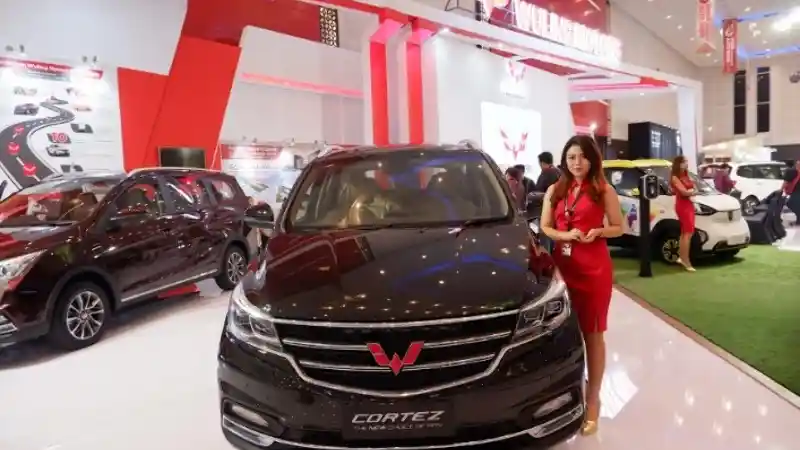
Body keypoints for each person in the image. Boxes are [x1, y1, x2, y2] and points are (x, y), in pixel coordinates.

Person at [540, 135, 623, 436]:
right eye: (571, 157)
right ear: (564, 160)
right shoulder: (555, 190)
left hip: (594, 270)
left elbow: (619, 227)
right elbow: (546, 226)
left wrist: (598, 231)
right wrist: (566, 236)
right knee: (560, 332)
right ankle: (565, 392)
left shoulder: (604, 190)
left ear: (592, 160)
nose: (577, 163)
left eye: (582, 157)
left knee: (593, 334)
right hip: (563, 269)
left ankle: (594, 399)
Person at [670, 156, 697, 272]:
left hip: (689, 204)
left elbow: (694, 187)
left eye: (686, 161)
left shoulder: (686, 175)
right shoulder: (675, 177)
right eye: (684, 162)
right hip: (683, 206)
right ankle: (686, 260)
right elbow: (684, 192)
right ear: (679, 164)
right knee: (688, 233)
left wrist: (692, 191)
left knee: (685, 232)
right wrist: (692, 192)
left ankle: (682, 257)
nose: (686, 163)